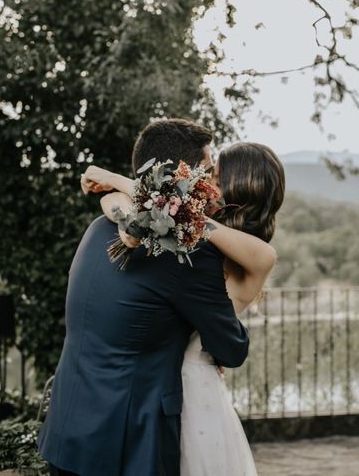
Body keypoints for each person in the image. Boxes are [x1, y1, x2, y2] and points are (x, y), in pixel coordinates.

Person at [37, 119, 250, 476]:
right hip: (129, 444)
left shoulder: (100, 226)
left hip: (67, 428)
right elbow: (231, 348)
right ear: (178, 180)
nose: (212, 187)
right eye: (206, 173)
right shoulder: (183, 254)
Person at [85, 141, 285, 475]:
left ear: (238, 187)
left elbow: (186, 219)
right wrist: (119, 200)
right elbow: (132, 207)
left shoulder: (256, 255)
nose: (206, 183)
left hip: (194, 392)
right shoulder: (195, 242)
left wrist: (114, 180)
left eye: (216, 178)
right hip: (163, 386)